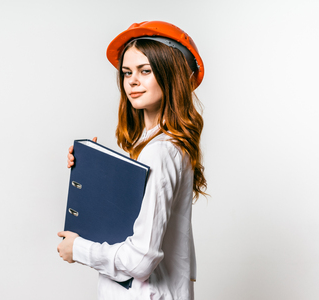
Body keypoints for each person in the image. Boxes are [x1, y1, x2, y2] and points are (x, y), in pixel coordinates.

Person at [57, 21, 207, 300]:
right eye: (127, 72)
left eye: (145, 71)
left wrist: (78, 249)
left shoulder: (160, 152)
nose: (132, 81)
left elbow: (141, 259)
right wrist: (93, 176)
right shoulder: (159, 145)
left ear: (171, 75)